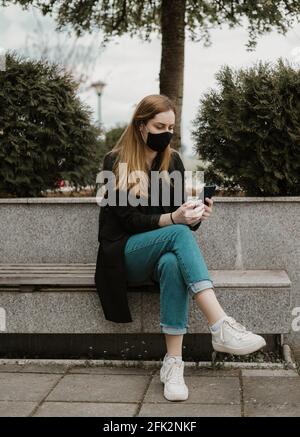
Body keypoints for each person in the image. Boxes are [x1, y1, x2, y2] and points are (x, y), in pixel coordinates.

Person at [94, 94, 266, 402]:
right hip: (122, 254)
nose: (166, 133)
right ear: (141, 125)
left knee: (174, 262)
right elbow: (128, 219)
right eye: (159, 125)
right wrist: (175, 219)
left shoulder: (171, 161)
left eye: (171, 127)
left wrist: (195, 214)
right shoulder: (116, 161)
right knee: (175, 235)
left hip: (161, 250)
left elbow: (179, 220)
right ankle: (221, 324)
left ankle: (173, 364)